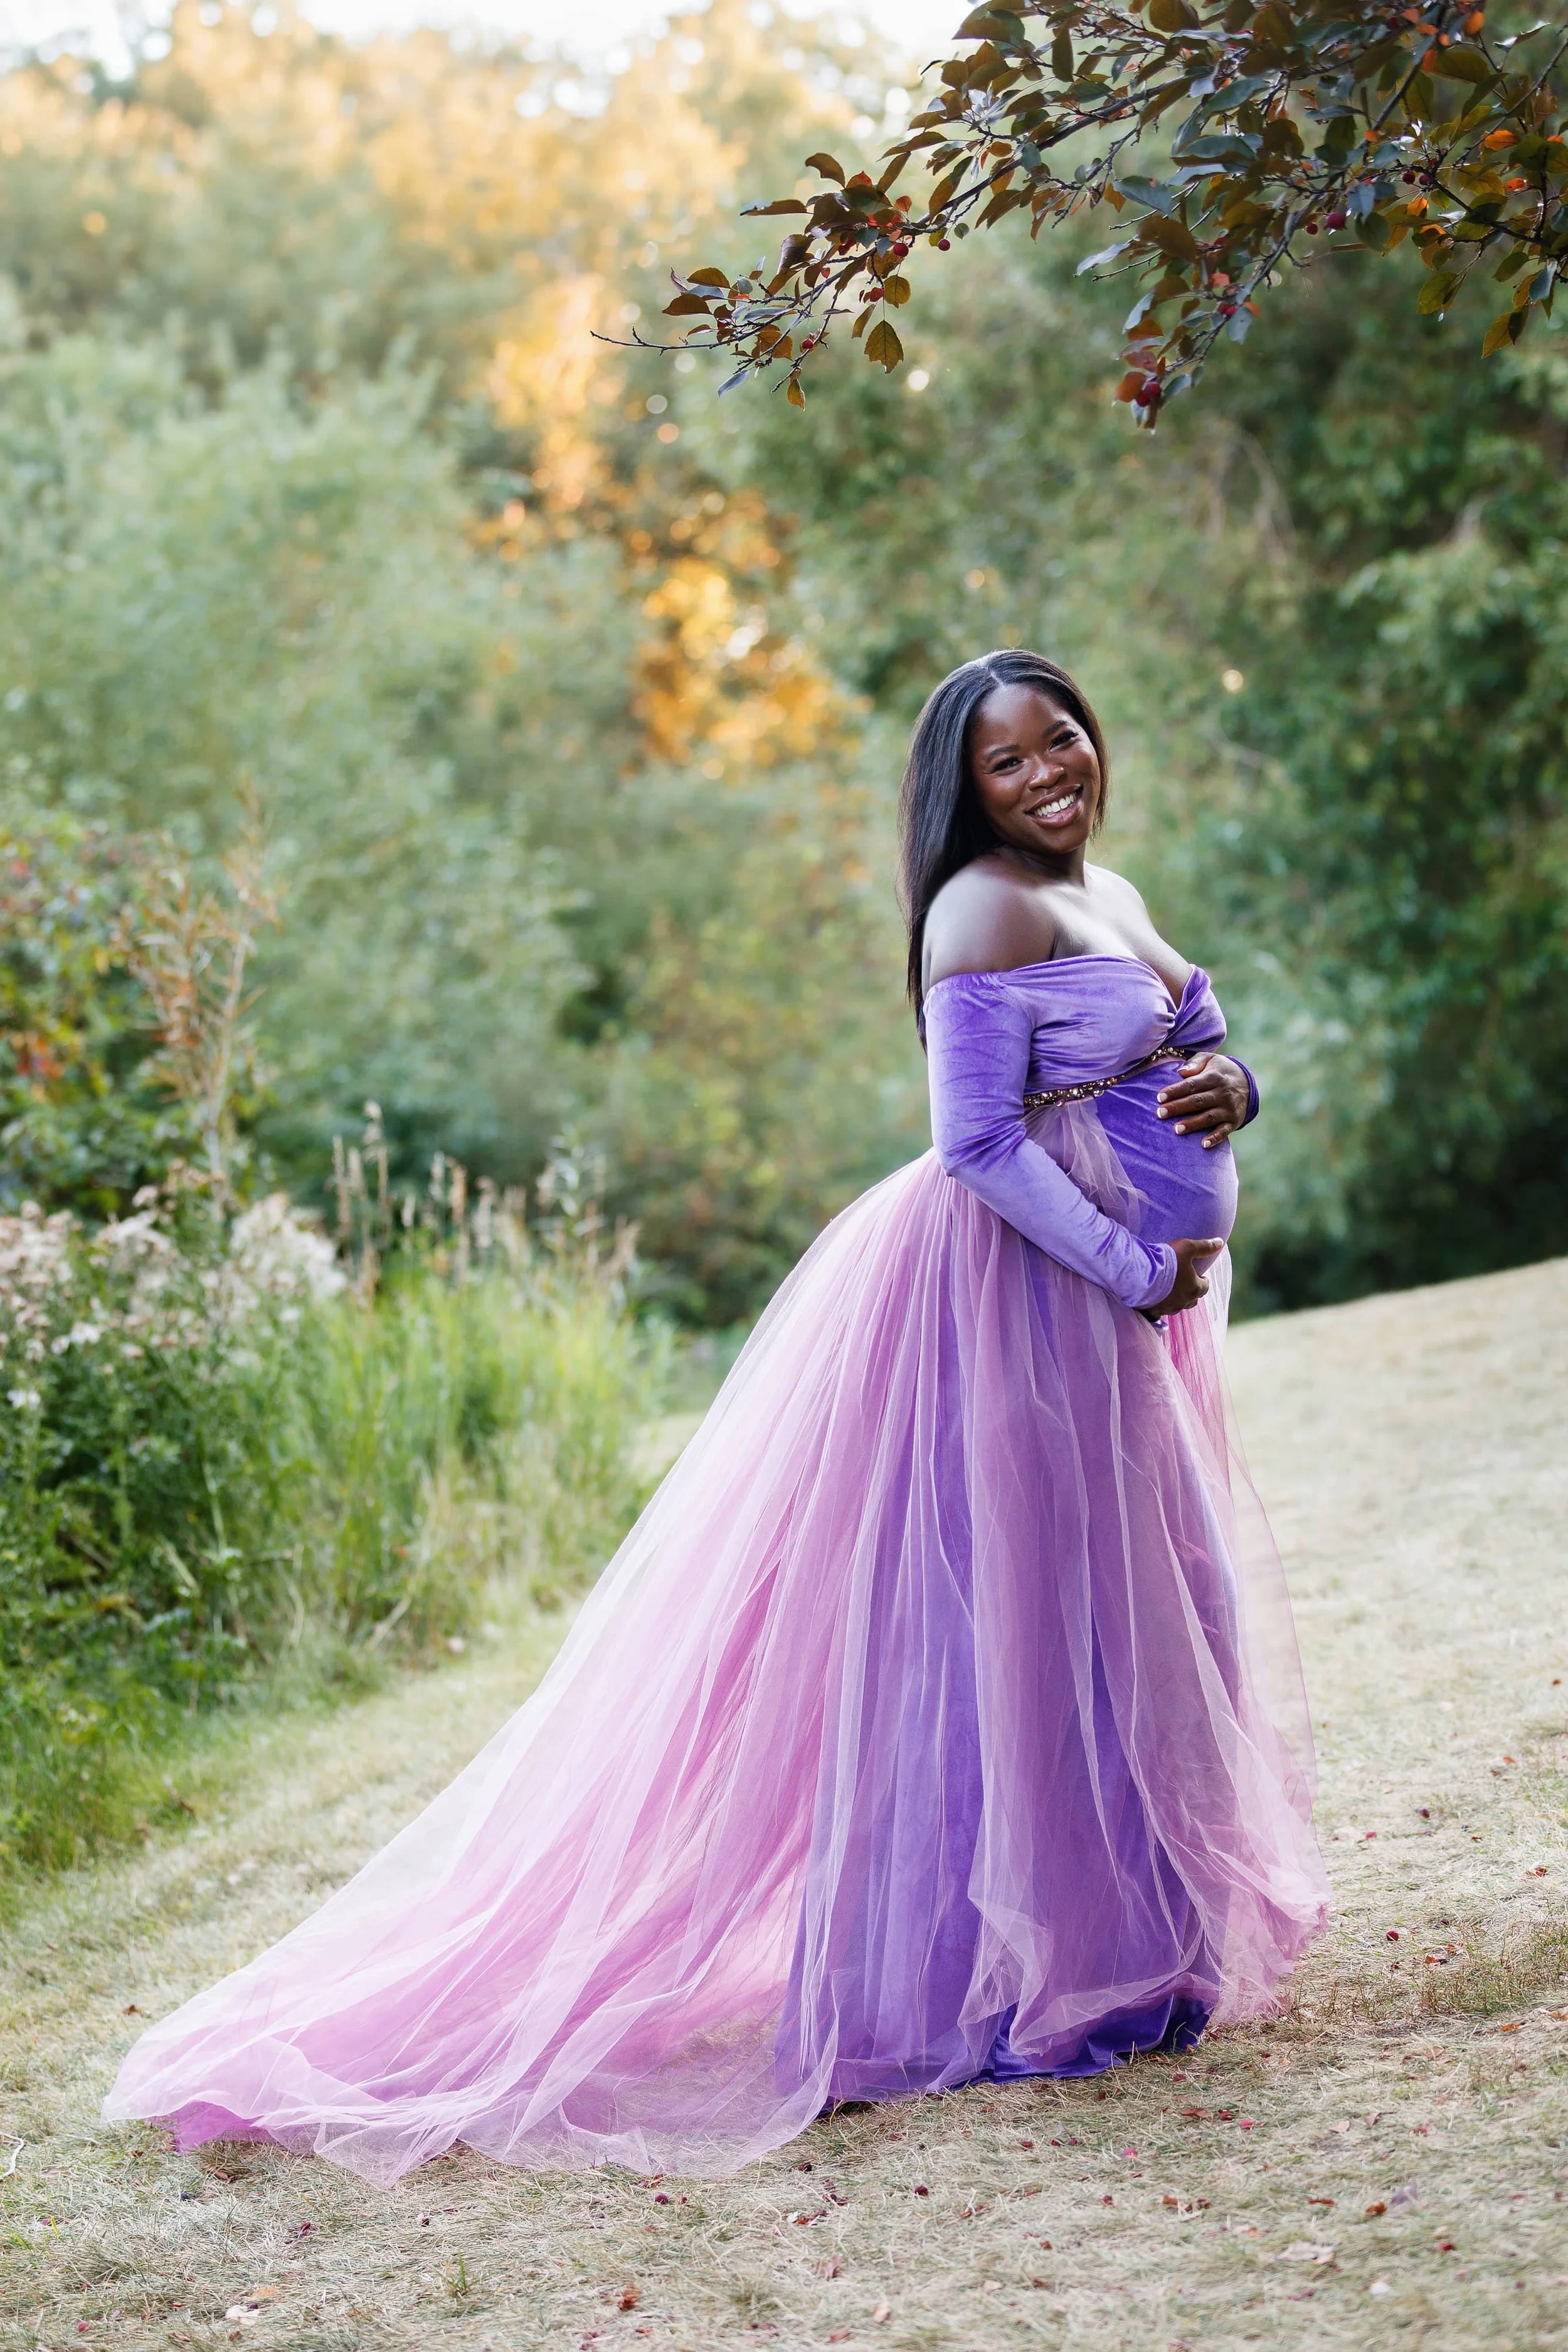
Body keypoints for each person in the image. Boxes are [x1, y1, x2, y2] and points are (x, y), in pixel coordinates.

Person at [105, 649, 1328, 2185]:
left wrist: (1239, 1089)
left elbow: (1186, 1044)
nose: (1044, 773)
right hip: (1022, 1306)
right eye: (1005, 763)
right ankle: (999, 1980)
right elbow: (974, 1149)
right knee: (1018, 1634)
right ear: (966, 793)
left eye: (1058, 738)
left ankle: (1134, 1945)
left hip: (1112, 1314)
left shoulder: (1112, 889)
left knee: (1143, 1609)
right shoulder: (981, 913)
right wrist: (1136, 1260)